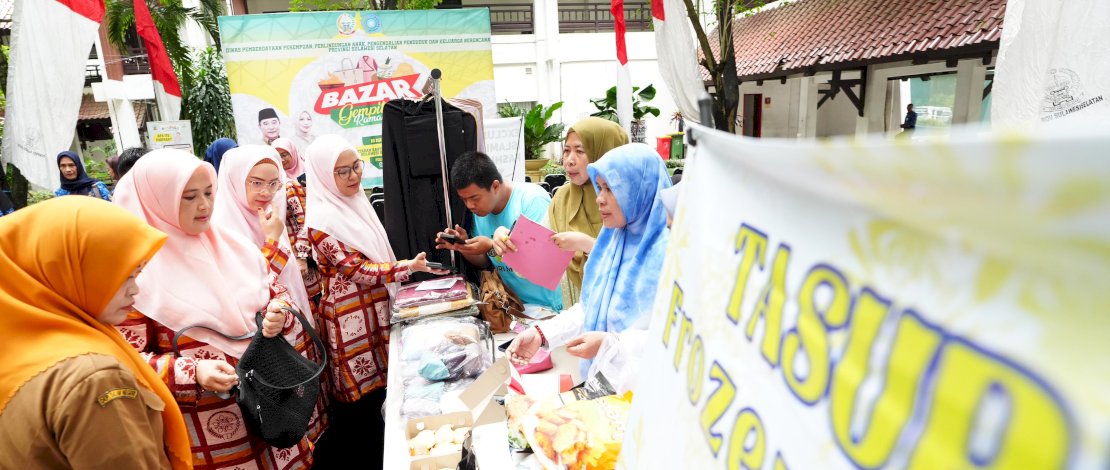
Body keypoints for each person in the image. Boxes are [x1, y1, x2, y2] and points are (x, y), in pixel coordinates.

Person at [113, 149, 318, 469]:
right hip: (212, 430)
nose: (204, 205)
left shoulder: (231, 247)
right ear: (156, 201)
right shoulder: (136, 277)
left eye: (209, 193)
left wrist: (278, 313)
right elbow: (122, 361)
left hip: (272, 408)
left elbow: (274, 291)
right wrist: (192, 373)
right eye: (189, 197)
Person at [0, 197, 191, 469]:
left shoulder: (16, 348)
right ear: (67, 272)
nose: (135, 290)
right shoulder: (95, 377)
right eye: (123, 276)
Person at [303, 134, 444, 467]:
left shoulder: (355, 203)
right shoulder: (321, 221)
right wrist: (406, 267)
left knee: (386, 387)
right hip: (349, 321)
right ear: (323, 175)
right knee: (363, 400)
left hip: (376, 309)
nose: (353, 176)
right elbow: (356, 269)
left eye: (356, 166)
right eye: (342, 171)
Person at [507, 143, 671, 393]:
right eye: (600, 187)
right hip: (604, 385)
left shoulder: (671, 254)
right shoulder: (613, 239)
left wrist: (611, 343)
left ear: (640, 189)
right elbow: (591, 307)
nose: (599, 199)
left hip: (645, 394)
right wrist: (541, 333)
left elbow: (676, 338)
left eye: (611, 189)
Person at [211, 144, 329, 448]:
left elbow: (288, 280)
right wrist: (272, 240)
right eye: (256, 183)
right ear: (236, 182)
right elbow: (250, 286)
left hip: (287, 326)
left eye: (274, 183)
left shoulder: (268, 217)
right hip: (264, 342)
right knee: (284, 409)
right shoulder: (222, 229)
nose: (266, 192)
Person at [495, 117, 628, 307]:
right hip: (574, 316)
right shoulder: (563, 198)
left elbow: (634, 270)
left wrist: (587, 244)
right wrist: (507, 239)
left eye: (580, 151)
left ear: (604, 153)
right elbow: (538, 260)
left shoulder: (627, 203)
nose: (569, 161)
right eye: (566, 151)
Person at [436, 151, 564, 311]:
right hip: (512, 305)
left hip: (548, 307)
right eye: (464, 200)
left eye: (474, 198)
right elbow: (485, 261)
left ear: (495, 186)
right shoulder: (480, 212)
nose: (469, 206)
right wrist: (464, 246)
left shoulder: (532, 200)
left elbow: (547, 264)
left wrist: (491, 244)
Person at [271, 138, 320, 299]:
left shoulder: (290, 186)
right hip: (282, 256)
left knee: (310, 298)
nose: (282, 160)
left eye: (285, 154)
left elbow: (304, 222)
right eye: (277, 157)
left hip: (298, 253)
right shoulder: (271, 186)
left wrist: (302, 257)